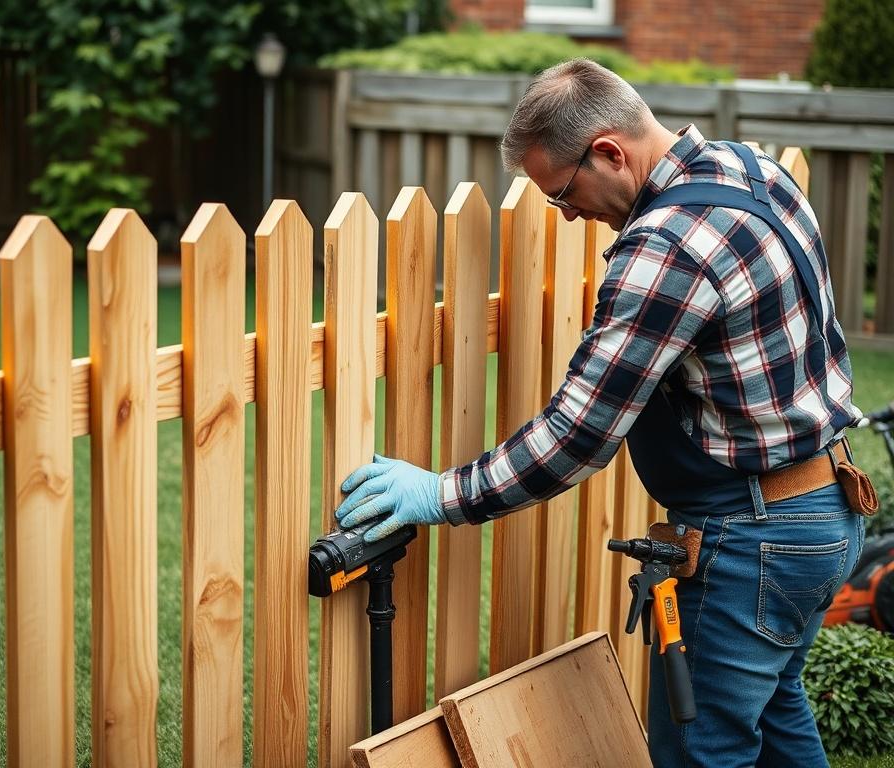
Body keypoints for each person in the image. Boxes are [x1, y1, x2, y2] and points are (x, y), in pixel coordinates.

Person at [334, 58, 874, 767]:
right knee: (775, 721)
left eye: (563, 194)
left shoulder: (668, 245)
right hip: (828, 505)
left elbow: (576, 435)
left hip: (755, 537)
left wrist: (440, 494)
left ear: (610, 153)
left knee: (701, 751)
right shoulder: (752, 170)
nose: (569, 215)